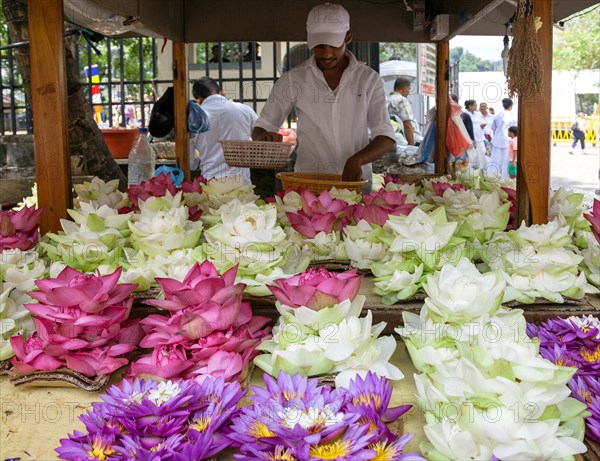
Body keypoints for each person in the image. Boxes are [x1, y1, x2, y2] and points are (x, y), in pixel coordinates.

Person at [251, 3, 395, 188]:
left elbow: (385, 136)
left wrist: (357, 160)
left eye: (334, 45)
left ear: (348, 37)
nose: (326, 53)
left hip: (354, 183)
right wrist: (263, 137)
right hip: (309, 184)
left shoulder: (368, 80)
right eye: (319, 45)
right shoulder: (293, 79)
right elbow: (262, 126)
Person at [190, 77, 257, 184]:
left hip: (211, 184)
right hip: (242, 183)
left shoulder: (194, 119)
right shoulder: (245, 110)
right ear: (222, 92)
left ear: (198, 99)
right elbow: (261, 140)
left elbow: (191, 164)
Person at [387, 77, 422, 146]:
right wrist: (411, 147)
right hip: (410, 141)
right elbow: (407, 125)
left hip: (394, 140)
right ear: (405, 88)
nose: (409, 92)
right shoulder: (402, 100)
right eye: (409, 89)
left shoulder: (387, 100)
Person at [490, 98, 517, 179]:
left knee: (495, 160)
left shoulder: (498, 115)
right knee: (506, 161)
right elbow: (516, 129)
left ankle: (492, 177)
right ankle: (504, 178)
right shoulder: (513, 115)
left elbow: (493, 127)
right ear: (511, 106)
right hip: (508, 141)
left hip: (498, 141)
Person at [465, 99, 487, 169]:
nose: (476, 106)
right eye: (475, 105)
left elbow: (482, 122)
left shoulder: (478, 113)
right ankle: (470, 170)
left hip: (479, 136)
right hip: (470, 138)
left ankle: (482, 168)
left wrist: (482, 126)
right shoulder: (465, 114)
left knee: (482, 152)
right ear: (470, 106)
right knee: (471, 154)